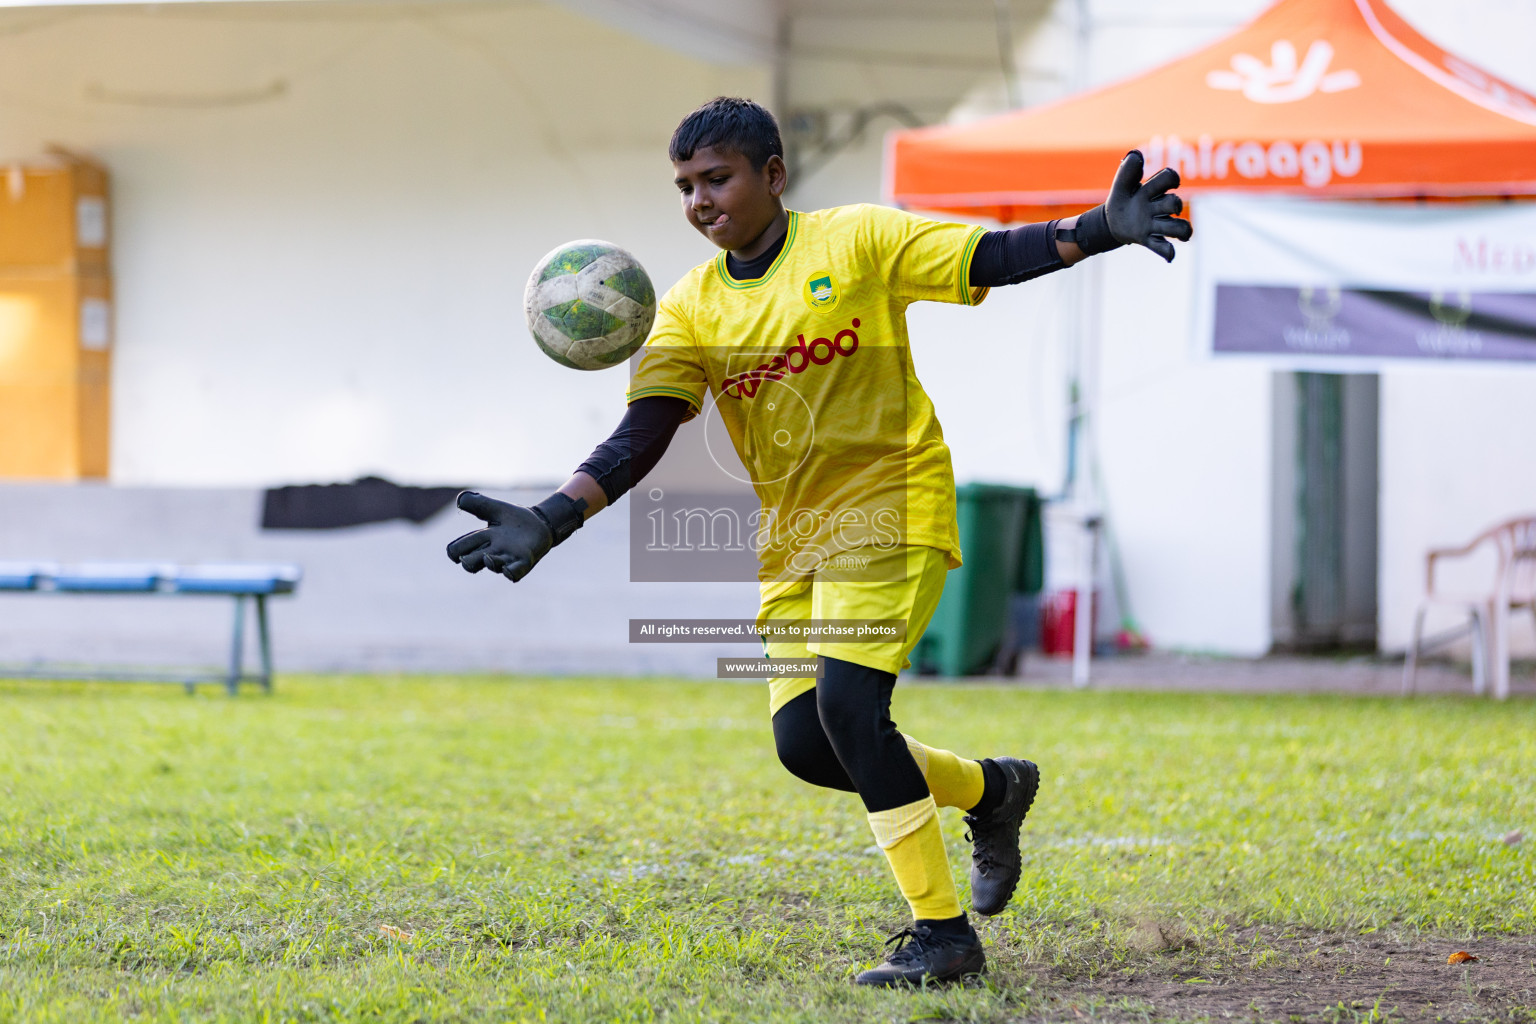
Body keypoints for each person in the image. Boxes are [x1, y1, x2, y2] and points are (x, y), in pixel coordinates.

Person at [447, 96, 1189, 986]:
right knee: (807, 743)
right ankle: (994, 789)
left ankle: (944, 936)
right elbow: (644, 432)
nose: (699, 202)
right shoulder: (687, 309)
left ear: (773, 175)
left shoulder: (857, 241)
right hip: (793, 540)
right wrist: (552, 518)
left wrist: (1097, 229)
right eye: (684, 187)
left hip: (893, 505)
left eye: (715, 178)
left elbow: (987, 254)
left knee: (849, 713)